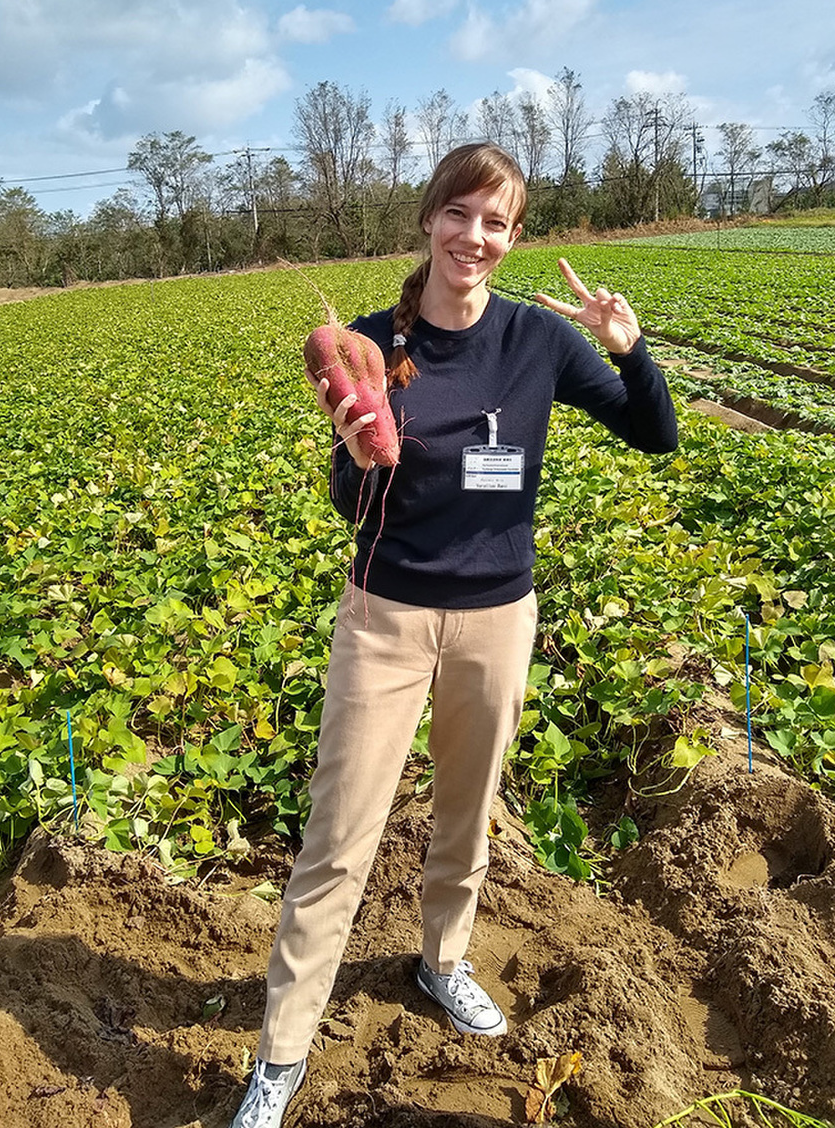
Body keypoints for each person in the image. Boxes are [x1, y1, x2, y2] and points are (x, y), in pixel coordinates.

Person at [230, 142, 678, 1128]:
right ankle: (282, 1053)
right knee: (338, 838)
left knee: (464, 816)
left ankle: (440, 962)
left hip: (495, 618)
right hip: (387, 616)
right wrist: (358, 446)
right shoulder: (365, 340)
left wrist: (626, 346)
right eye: (460, 213)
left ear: (512, 239)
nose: (475, 236)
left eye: (497, 222)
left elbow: (656, 435)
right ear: (430, 219)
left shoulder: (537, 343)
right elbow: (355, 496)